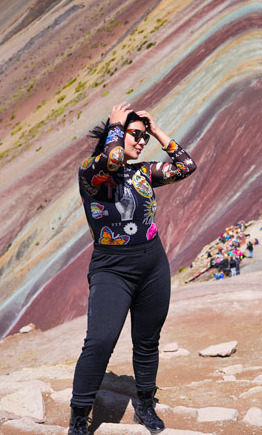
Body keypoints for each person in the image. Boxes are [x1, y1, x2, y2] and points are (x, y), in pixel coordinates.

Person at [71, 102, 196, 435]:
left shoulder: (142, 172)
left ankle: (145, 405)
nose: (141, 142)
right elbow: (112, 159)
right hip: (112, 269)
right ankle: (78, 419)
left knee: (147, 340)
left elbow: (186, 165)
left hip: (152, 264)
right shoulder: (90, 173)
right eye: (135, 135)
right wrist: (115, 124)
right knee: (100, 341)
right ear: (115, 134)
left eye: (144, 137)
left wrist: (157, 131)